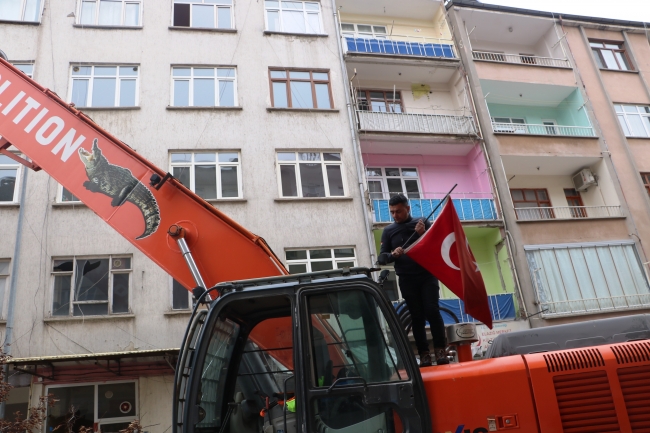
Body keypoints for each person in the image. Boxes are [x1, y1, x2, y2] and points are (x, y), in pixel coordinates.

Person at [377, 194, 448, 366]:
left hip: (426, 276)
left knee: (432, 310)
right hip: (407, 279)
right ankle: (424, 354)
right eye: (392, 212)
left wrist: (423, 234)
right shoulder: (388, 231)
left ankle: (440, 351)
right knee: (416, 316)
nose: (395, 215)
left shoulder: (422, 222)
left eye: (398, 211)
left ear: (407, 209)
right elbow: (381, 258)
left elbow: (437, 246)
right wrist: (392, 255)